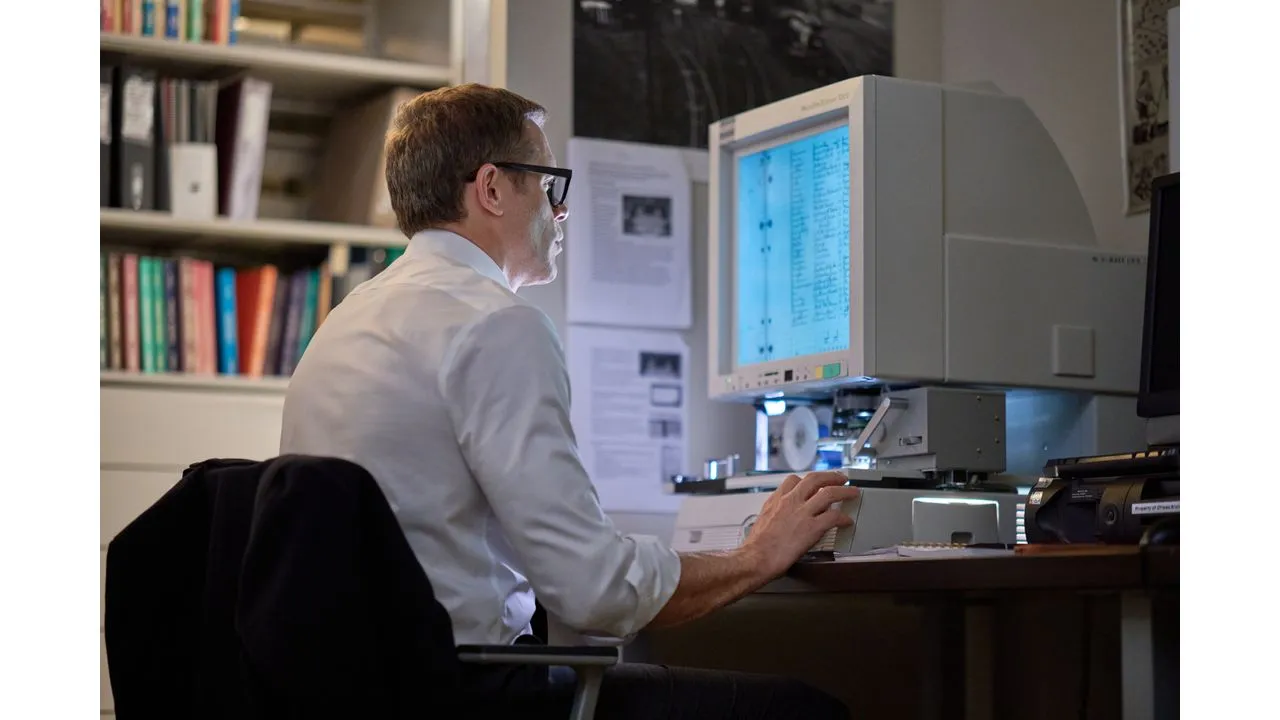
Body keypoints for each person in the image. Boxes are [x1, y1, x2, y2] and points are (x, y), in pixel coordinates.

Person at [279, 83, 856, 719]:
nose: (562, 211)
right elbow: (595, 593)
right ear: (492, 189)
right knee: (807, 710)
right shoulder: (494, 323)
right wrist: (758, 554)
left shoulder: (344, 322)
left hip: (366, 691)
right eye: (551, 183)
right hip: (471, 694)